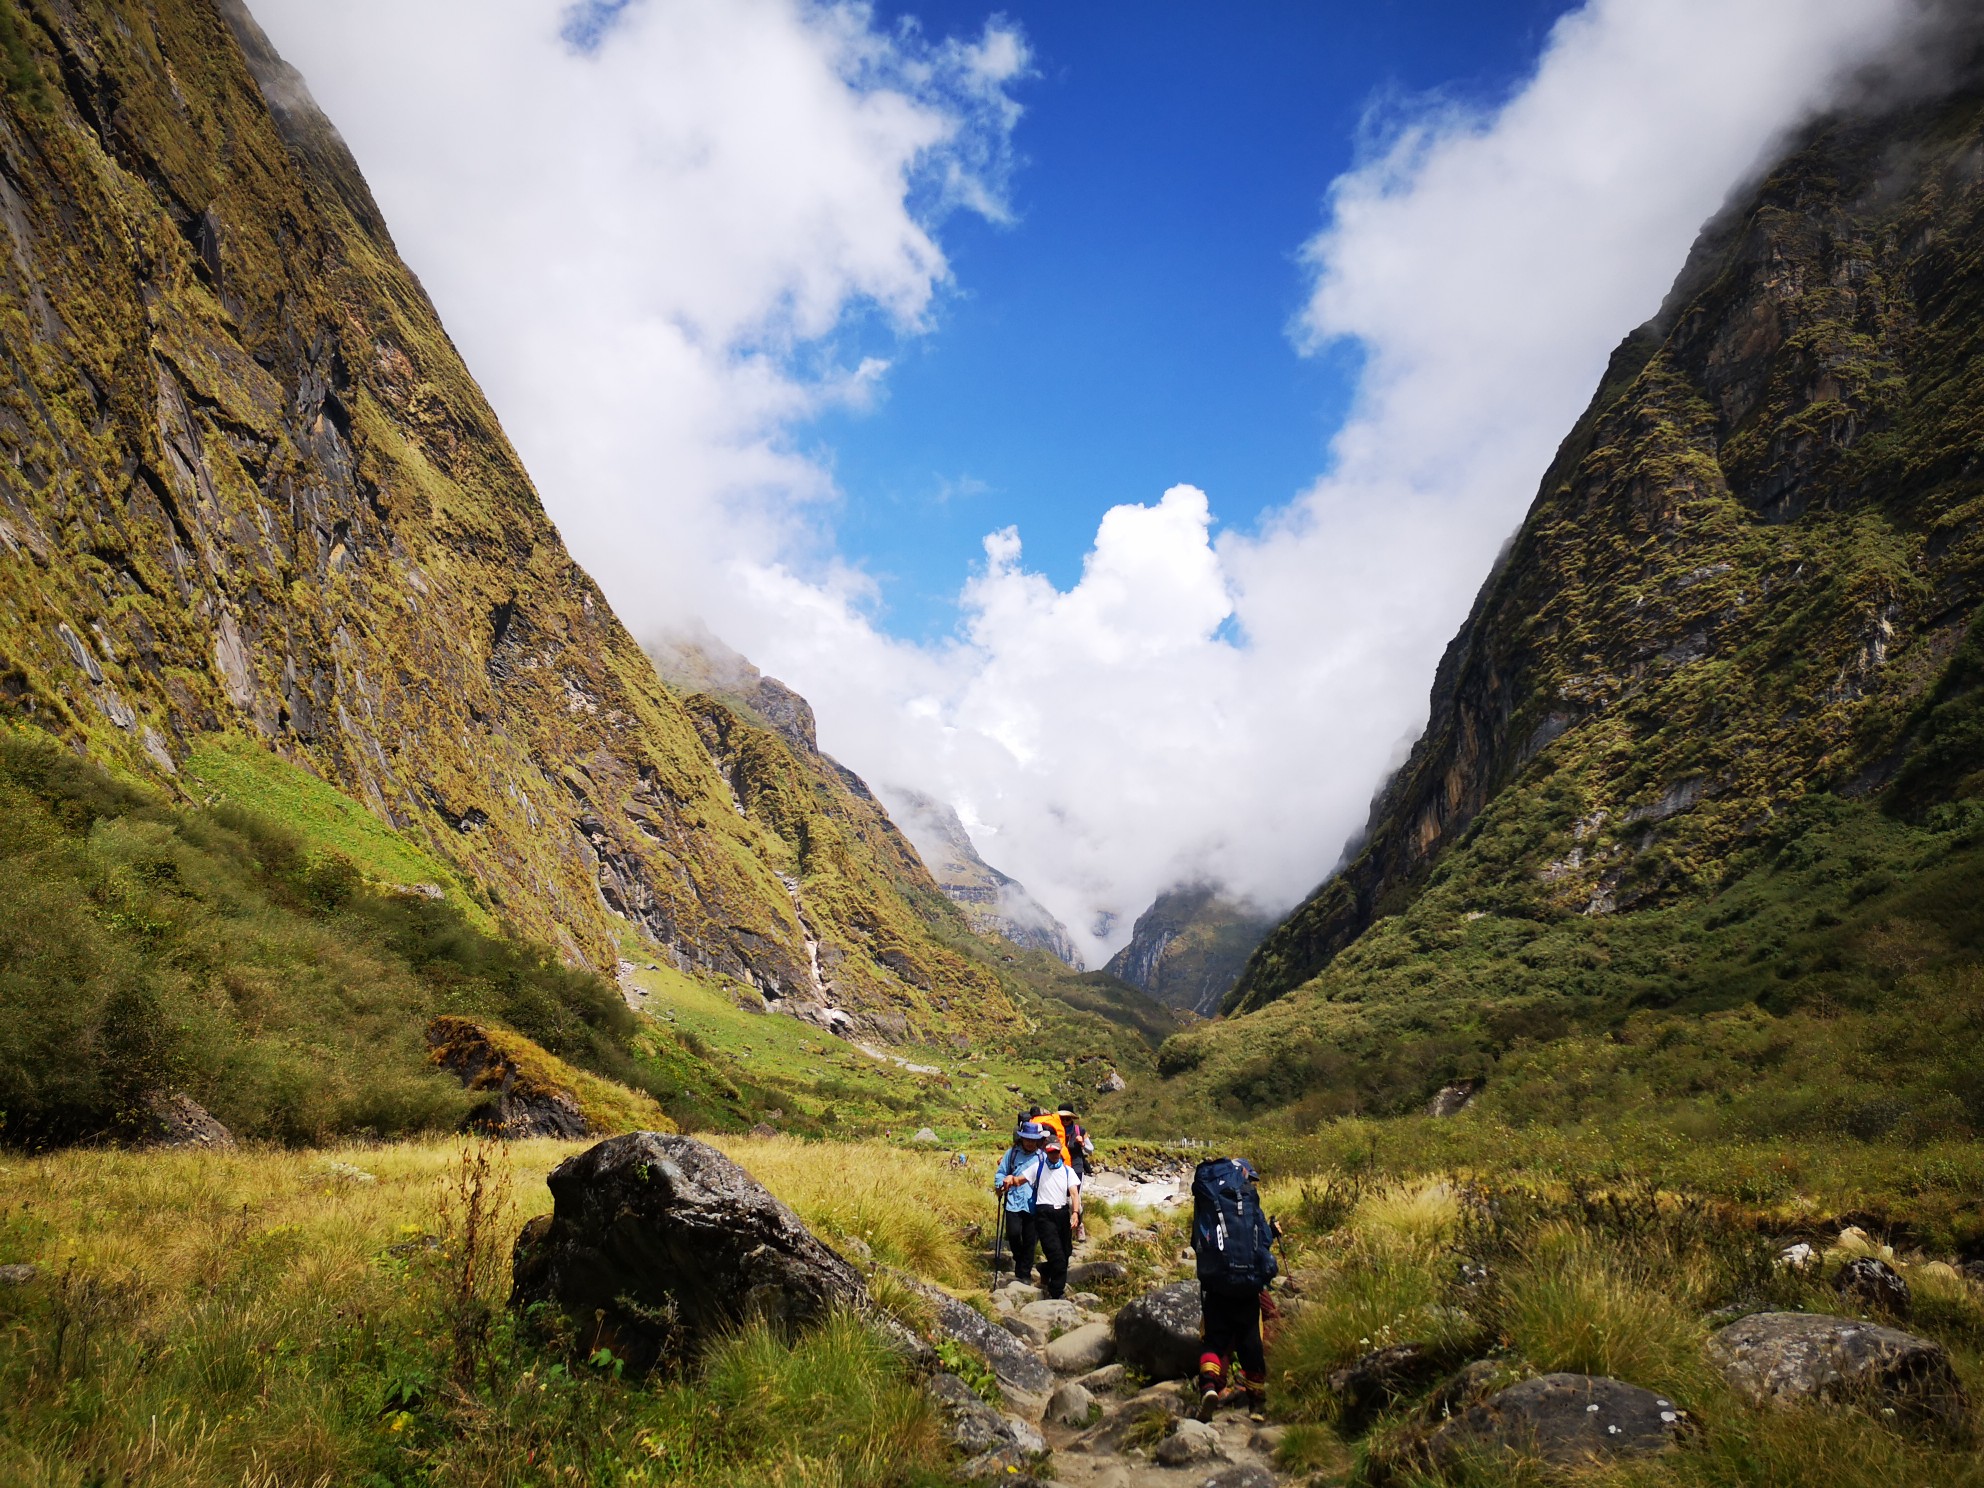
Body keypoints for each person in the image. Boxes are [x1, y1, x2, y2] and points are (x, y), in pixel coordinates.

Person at [1189, 1155, 1279, 1423]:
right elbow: (1262, 1241)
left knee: (1214, 1340)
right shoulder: (1250, 1203)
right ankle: (1257, 1405)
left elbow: (1198, 1240)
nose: (1250, 1183)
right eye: (1249, 1178)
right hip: (1248, 1287)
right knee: (1251, 1343)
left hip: (1217, 1284)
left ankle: (1208, 1387)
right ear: (1242, 1174)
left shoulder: (1212, 1200)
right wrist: (1272, 1234)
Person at [992, 1121, 1048, 1285]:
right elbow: (1001, 1173)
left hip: (1035, 1204)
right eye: (1027, 1139)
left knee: (1031, 1239)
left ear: (1038, 1140)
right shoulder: (1012, 1154)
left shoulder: (1042, 1157)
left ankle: (1024, 1274)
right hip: (1013, 1201)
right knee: (1014, 1234)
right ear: (1022, 1138)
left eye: (1033, 1140)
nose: (1030, 1143)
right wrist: (1001, 1184)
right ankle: (1019, 1260)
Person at [1030, 1133, 1083, 1299]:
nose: (1053, 1154)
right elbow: (1019, 1180)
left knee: (1066, 1253)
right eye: (1050, 1151)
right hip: (1043, 1213)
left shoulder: (1068, 1171)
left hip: (1062, 1213)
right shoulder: (1037, 1167)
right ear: (1046, 1151)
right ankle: (1056, 1293)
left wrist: (1075, 1213)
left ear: (1060, 1151)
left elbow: (1074, 1193)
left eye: (1056, 1151)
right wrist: (1009, 1180)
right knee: (1057, 1256)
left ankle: (1045, 1269)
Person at [1058, 1105, 1093, 1177]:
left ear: (1072, 1118)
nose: (1064, 1121)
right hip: (1059, 1167)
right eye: (1062, 1118)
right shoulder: (1054, 1130)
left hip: (1076, 1168)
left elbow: (1091, 1150)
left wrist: (1082, 1143)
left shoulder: (1079, 1130)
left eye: (1067, 1119)